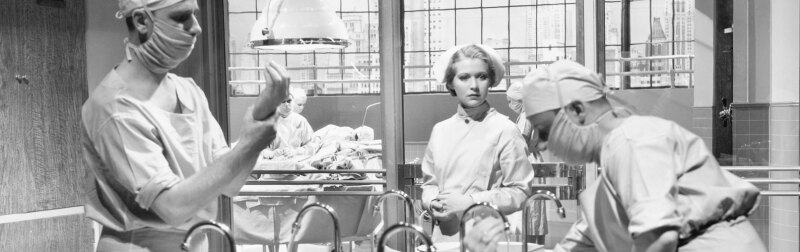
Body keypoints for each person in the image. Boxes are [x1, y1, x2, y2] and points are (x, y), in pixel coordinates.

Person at [466, 60, 766, 252]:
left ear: (577, 111)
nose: (541, 143)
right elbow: (575, 248)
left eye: (544, 130)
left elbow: (658, 240)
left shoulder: (633, 142)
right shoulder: (610, 178)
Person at [81, 0, 288, 250]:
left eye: (195, 15)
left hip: (194, 241)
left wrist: (260, 117)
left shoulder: (188, 91)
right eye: (182, 17)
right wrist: (248, 144)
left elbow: (231, 183)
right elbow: (172, 207)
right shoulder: (115, 106)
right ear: (142, 21)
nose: (197, 27)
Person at [421, 44, 533, 240]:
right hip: (442, 238)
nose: (474, 85)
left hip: (487, 239)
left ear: (490, 81)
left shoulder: (505, 130)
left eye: (481, 76)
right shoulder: (440, 131)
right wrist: (432, 202)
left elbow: (520, 192)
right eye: (464, 77)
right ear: (451, 83)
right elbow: (430, 184)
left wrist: (470, 202)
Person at [260, 91, 317, 160]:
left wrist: (296, 151)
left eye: (289, 101)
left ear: (293, 102)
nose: (286, 104)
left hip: (296, 161)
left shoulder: (301, 121)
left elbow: (312, 145)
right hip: (274, 162)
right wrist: (272, 153)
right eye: (283, 101)